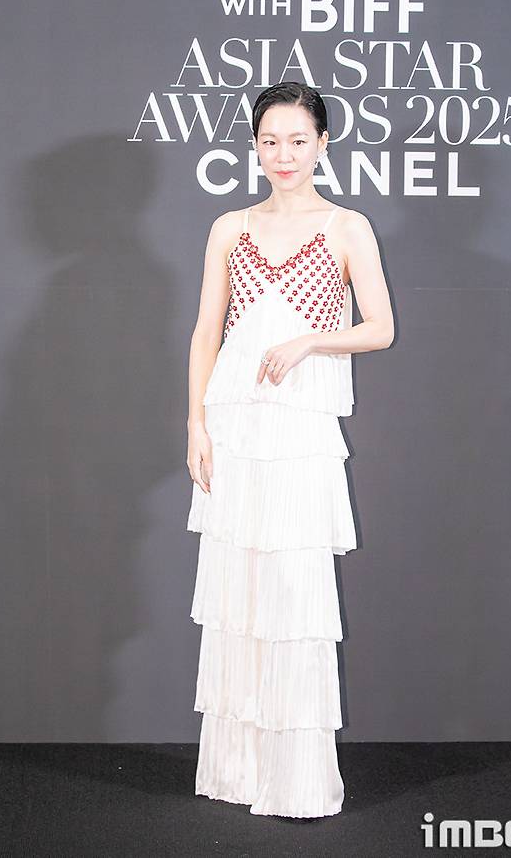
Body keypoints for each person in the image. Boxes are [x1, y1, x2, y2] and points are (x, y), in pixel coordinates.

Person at [185, 81, 394, 818]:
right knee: (239, 591)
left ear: (323, 144)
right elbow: (206, 332)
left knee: (294, 594)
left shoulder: (347, 227)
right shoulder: (229, 227)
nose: (284, 154)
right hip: (235, 424)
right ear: (254, 146)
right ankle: (239, 772)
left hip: (301, 432)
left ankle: (297, 778)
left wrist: (310, 340)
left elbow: (380, 328)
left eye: (298, 140)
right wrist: (195, 425)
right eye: (270, 141)